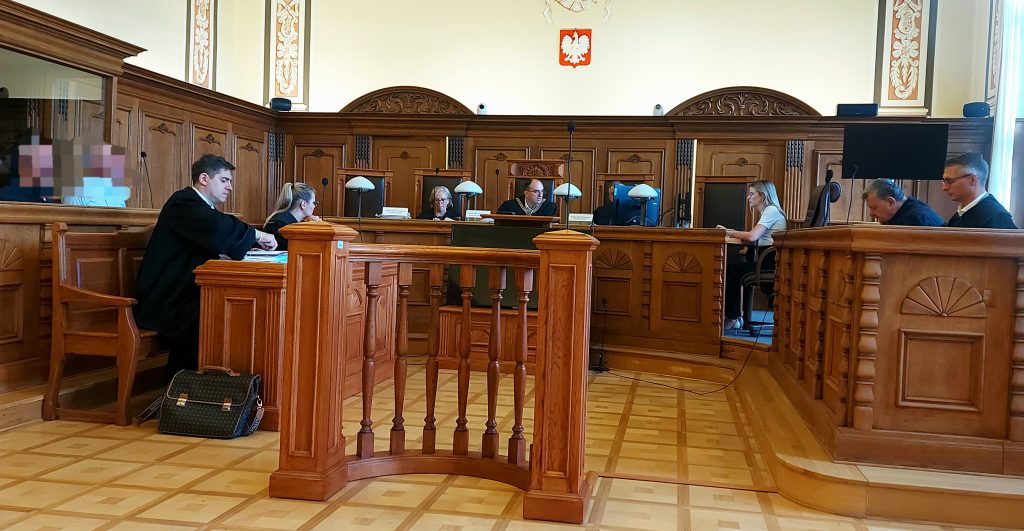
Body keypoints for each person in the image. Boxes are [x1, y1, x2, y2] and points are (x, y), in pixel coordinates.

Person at [134, 155, 278, 381]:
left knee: (228, 307)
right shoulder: (183, 203)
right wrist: (257, 234)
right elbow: (217, 228)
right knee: (215, 312)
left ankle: (219, 383)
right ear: (204, 178)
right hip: (165, 299)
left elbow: (214, 236)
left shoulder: (202, 207)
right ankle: (186, 385)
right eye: (224, 180)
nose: (230, 187)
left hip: (184, 292)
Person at [716, 180, 787, 331]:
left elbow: (752, 236)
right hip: (767, 259)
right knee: (734, 268)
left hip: (769, 262)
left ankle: (732, 318)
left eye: (752, 194)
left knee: (731, 270)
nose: (748, 197)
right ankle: (735, 316)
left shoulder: (771, 210)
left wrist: (728, 231)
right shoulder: (769, 211)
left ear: (762, 196)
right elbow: (756, 238)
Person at [942, 153, 1017, 229]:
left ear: (972, 180)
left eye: (950, 181)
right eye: (944, 181)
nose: (944, 188)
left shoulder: (996, 218)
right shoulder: (959, 216)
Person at [263, 182, 321, 250]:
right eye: (314, 203)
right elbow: (305, 249)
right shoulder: (281, 223)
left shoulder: (287, 220)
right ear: (303, 204)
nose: (315, 206)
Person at [862, 178, 943, 226]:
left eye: (874, 208)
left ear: (891, 202)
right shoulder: (908, 208)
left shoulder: (913, 219)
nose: (871, 214)